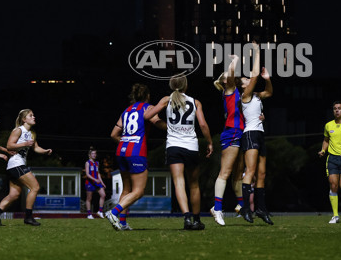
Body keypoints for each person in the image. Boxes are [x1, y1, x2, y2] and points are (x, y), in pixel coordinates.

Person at [145, 75, 214, 230]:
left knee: (179, 183)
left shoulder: (166, 100)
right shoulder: (195, 102)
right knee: (194, 185)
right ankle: (196, 219)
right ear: (186, 86)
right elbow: (202, 125)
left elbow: (147, 116)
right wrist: (209, 142)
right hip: (191, 146)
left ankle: (187, 217)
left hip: (174, 146)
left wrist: (164, 123)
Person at [105, 83, 166, 231]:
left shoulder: (126, 111)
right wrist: (175, 128)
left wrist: (127, 142)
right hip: (136, 152)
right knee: (138, 191)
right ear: (148, 96)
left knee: (127, 189)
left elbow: (113, 134)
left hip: (121, 151)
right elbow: (159, 124)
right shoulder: (148, 108)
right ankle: (113, 213)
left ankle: (123, 223)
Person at [0, 109, 52, 226]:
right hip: (16, 164)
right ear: (24, 119)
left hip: (16, 166)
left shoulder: (32, 133)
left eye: (33, 115)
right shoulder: (18, 130)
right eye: (31, 116)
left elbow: (36, 148)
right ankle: (28, 217)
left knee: (14, 195)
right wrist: (24, 144)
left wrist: (45, 151)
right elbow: (9, 145)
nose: (34, 117)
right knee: (35, 187)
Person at [239, 42, 274, 225]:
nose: (248, 79)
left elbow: (269, 91)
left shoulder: (257, 96)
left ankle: (261, 208)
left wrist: (267, 78)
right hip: (250, 134)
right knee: (250, 172)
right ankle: (246, 208)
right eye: (245, 79)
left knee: (262, 174)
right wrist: (257, 51)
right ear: (243, 85)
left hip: (260, 134)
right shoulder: (244, 96)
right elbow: (253, 76)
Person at [210, 54, 246, 226]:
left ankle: (242, 205)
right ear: (225, 81)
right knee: (225, 172)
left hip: (238, 132)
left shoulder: (236, 91)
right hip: (232, 132)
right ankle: (217, 209)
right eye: (227, 76)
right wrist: (235, 60)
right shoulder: (229, 89)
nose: (230, 76)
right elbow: (231, 73)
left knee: (237, 174)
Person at [84, 147, 106, 219]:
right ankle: (89, 214)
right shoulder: (87, 163)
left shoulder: (97, 163)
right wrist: (95, 180)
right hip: (90, 183)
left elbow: (98, 173)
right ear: (89, 155)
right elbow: (87, 174)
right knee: (89, 198)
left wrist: (102, 182)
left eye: (95, 153)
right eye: (92, 153)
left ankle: (100, 211)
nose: (94, 155)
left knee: (103, 195)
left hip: (97, 182)